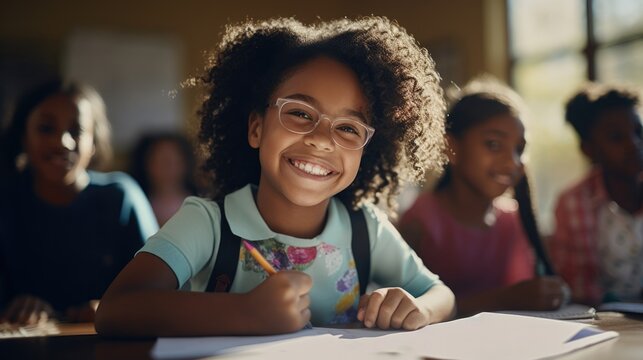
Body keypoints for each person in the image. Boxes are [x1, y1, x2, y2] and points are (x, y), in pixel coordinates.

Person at [95, 16, 456, 337]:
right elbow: (116, 310)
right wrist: (246, 312)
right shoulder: (209, 223)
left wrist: (419, 308)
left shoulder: (366, 229)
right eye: (300, 113)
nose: (321, 140)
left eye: (348, 127)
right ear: (256, 128)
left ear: (366, 150)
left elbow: (443, 296)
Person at [398, 78, 568, 317]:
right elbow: (408, 310)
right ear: (452, 148)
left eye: (519, 149)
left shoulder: (512, 221)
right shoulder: (422, 219)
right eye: (494, 144)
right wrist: (506, 298)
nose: (513, 162)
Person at [0, 79, 158, 325]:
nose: (62, 142)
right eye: (45, 128)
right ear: (23, 136)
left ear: (94, 143)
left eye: (76, 130)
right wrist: (15, 308)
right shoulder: (6, 201)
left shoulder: (121, 198)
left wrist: (111, 308)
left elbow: (157, 290)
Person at [550, 83, 643, 306]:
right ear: (588, 149)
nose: (635, 144)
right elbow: (580, 287)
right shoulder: (573, 203)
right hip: (605, 321)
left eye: (639, 132)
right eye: (616, 137)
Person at [129, 133, 198, 226]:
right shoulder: (134, 205)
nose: (166, 168)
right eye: (160, 161)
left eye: (172, 161)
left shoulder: (201, 204)